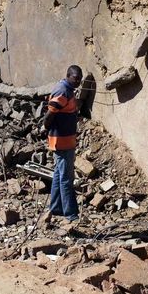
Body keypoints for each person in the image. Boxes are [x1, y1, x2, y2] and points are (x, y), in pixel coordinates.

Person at [43, 65, 83, 222]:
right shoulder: (63, 91)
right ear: (68, 76)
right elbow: (49, 115)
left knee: (59, 175)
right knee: (66, 177)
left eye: (80, 79)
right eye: (75, 79)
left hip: (65, 139)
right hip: (62, 141)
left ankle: (56, 208)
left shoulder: (67, 88)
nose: (78, 82)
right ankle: (70, 213)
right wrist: (45, 128)